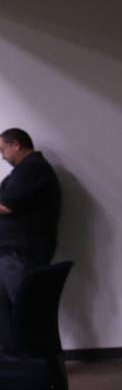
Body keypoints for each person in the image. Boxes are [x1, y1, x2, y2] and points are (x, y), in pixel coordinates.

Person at [0, 128, 62, 356]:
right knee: (7, 310)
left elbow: (7, 205)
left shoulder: (33, 169)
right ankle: (16, 361)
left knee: (27, 309)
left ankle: (41, 363)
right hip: (10, 253)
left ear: (16, 144)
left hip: (21, 253)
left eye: (3, 150)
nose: (3, 157)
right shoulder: (23, 172)